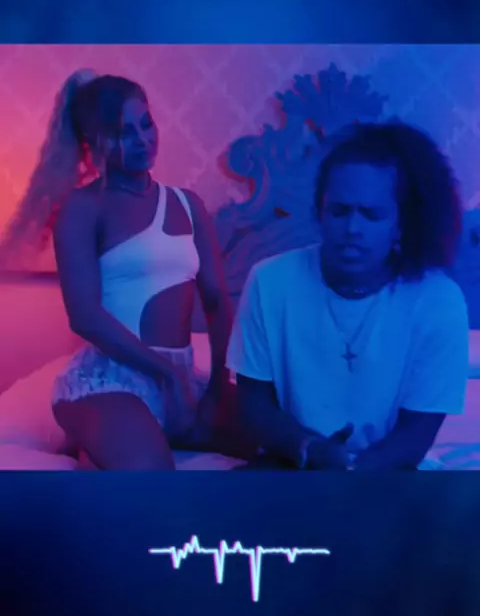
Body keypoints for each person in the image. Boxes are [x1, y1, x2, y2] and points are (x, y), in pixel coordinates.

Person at [0, 70, 235, 470]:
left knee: (279, 441)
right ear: (93, 143)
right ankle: (101, 435)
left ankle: (99, 451)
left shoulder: (188, 204)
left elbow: (215, 299)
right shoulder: (82, 207)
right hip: (114, 378)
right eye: (124, 133)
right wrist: (165, 372)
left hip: (182, 374)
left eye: (146, 123)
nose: (143, 139)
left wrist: (217, 385)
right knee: (152, 477)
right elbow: (85, 316)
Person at [227, 121, 469, 471]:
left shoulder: (438, 301)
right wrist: (310, 449)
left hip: (390, 473)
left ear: (400, 224)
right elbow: (254, 406)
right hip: (292, 462)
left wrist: (350, 476)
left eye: (371, 215)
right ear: (320, 212)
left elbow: (415, 435)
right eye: (339, 211)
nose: (353, 229)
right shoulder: (270, 281)